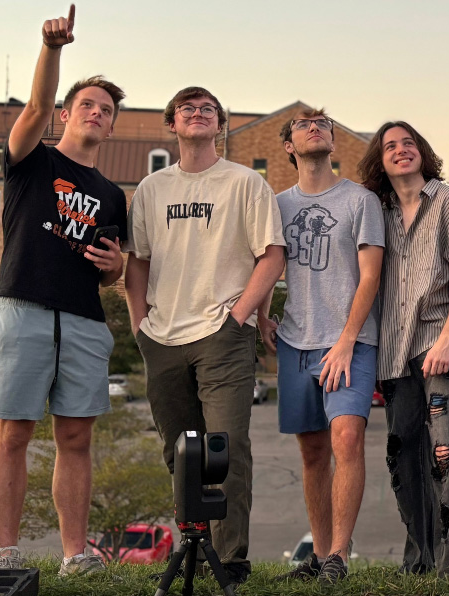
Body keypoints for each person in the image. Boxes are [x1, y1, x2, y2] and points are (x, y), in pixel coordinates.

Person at [0, 4, 126, 576]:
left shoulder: (113, 193)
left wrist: (116, 265)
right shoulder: (30, 160)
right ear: (67, 113)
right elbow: (37, 105)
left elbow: (112, 271)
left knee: (75, 437)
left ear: (112, 126)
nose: (96, 113)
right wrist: (53, 48)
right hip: (23, 308)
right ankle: (6, 554)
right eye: (87, 104)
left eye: (106, 110)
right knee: (13, 431)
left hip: (85, 320)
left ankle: (74, 557)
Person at [123, 86, 285, 588]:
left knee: (226, 446)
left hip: (222, 332)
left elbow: (272, 254)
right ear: (171, 124)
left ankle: (230, 559)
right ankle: (194, 546)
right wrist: (138, 323)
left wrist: (238, 318)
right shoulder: (152, 188)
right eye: (187, 109)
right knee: (180, 449)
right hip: (162, 334)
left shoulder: (244, 183)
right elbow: (139, 261)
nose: (197, 114)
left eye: (207, 110)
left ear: (220, 125)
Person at [359, 121, 449, 576]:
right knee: (403, 456)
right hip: (396, 353)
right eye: (390, 146)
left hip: (444, 342)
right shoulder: (380, 213)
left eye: (408, 143)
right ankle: (419, 558)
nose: (401, 150)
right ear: (380, 161)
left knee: (448, 455)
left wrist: (447, 340)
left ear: (423, 152)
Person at [264, 107, 384, 585]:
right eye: (302, 125)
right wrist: (261, 318)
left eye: (323, 124)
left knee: (348, 439)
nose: (315, 127)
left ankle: (338, 556)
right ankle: (317, 553)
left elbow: (371, 275)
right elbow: (266, 265)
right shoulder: (277, 205)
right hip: (295, 341)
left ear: (334, 142)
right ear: (289, 147)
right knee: (312, 452)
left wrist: (346, 340)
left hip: (349, 342)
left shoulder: (360, 201)